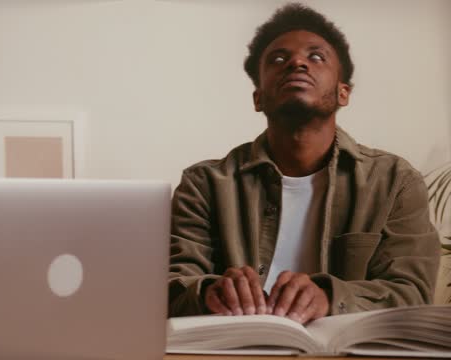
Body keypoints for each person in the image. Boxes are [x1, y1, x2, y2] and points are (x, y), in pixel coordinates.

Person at [168, 3, 440, 325]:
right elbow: (172, 286)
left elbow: (411, 291)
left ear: (343, 93)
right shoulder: (204, 185)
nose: (296, 62)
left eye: (316, 57)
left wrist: (328, 298)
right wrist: (209, 293)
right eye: (278, 59)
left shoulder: (395, 181)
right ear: (258, 98)